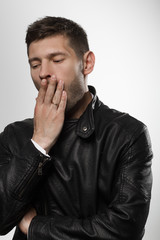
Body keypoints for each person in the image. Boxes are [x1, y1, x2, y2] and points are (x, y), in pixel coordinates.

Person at [0, 16, 153, 240]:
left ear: (87, 63)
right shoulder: (15, 136)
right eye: (35, 64)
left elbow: (124, 231)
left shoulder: (127, 134)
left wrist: (35, 226)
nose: (43, 72)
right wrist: (39, 144)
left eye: (57, 60)